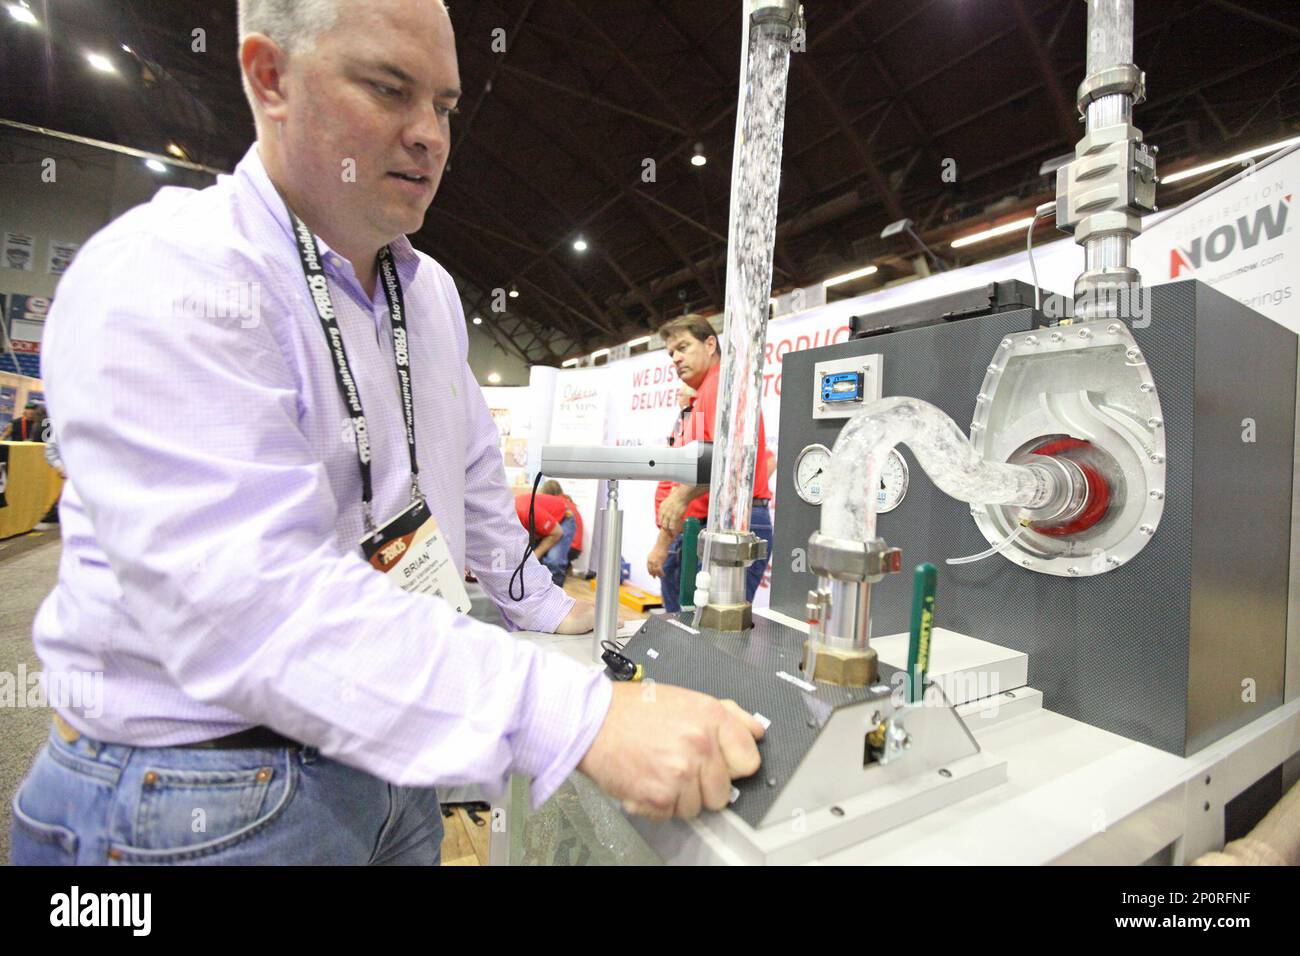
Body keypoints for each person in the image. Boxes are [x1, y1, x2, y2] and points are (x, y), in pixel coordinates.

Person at [10, 0, 763, 866]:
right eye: (388, 89)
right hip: (200, 795)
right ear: (270, 77)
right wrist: (574, 718)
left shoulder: (429, 293)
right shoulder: (170, 273)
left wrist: (567, 623)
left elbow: (478, 484)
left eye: (443, 105)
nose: (430, 136)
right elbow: (251, 603)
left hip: (388, 762)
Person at [656, 315, 773, 613]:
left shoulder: (721, 384)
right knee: (699, 630)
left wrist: (680, 497)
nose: (676, 358)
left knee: (706, 630)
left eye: (683, 347)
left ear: (710, 344)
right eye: (671, 353)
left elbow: (731, 460)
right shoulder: (708, 392)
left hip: (725, 523)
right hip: (718, 522)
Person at [647, 383, 694, 582]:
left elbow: (684, 474)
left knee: (679, 607)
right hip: (677, 529)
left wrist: (662, 543)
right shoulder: (685, 418)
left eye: (682, 390)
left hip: (681, 529)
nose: (678, 393)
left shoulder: (694, 415)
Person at [515, 488, 574, 586]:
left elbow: (557, 532)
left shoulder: (527, 512)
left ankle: (555, 599)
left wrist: (535, 555)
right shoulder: (507, 516)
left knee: (553, 561)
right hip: (538, 523)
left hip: (562, 519)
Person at [540, 479, 583, 569]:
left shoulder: (556, 504)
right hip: (576, 549)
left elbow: (549, 529)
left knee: (539, 546)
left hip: (568, 547)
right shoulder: (568, 501)